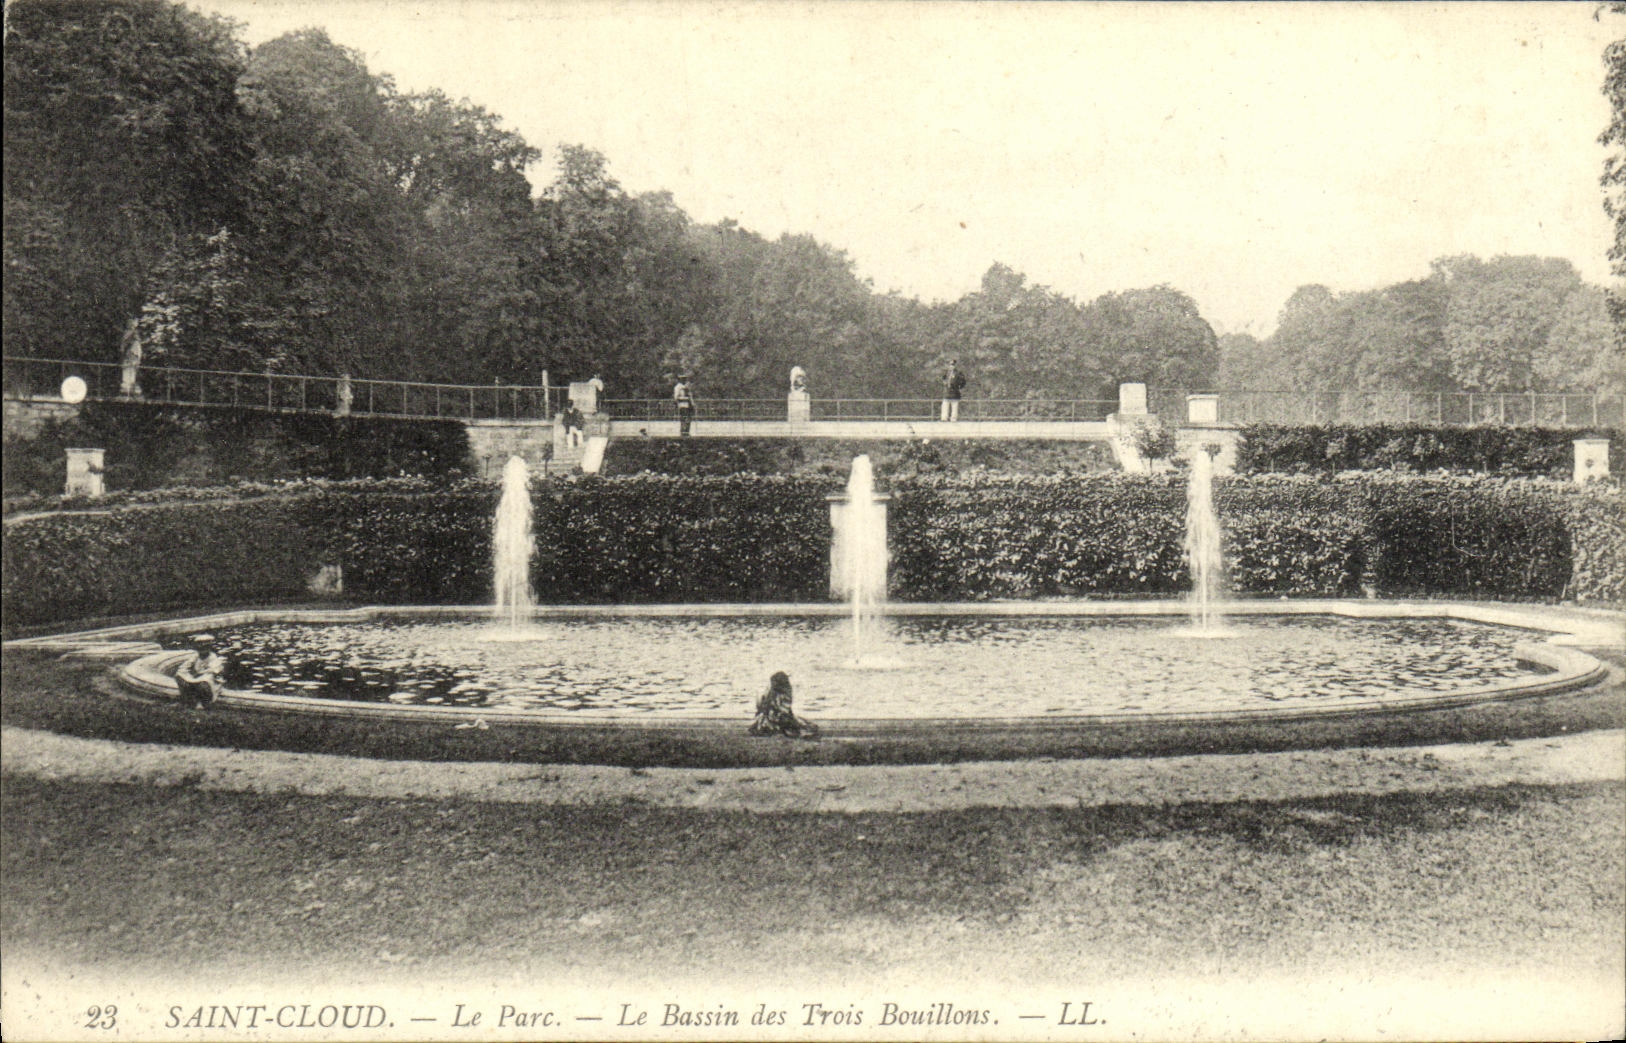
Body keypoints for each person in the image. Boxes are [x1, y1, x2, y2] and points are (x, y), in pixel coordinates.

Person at [748, 671, 819, 739]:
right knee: (799, 726)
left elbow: (769, 707)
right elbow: (784, 709)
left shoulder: (774, 693)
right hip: (775, 718)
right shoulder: (782, 693)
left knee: (798, 724)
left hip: (773, 717)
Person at [174, 634, 226, 708]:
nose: (202, 650)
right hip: (196, 677)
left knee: (204, 682)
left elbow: (213, 670)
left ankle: (203, 702)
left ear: (209, 648)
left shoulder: (213, 658)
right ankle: (188, 700)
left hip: (210, 680)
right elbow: (184, 666)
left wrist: (199, 674)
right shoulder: (196, 656)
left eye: (205, 648)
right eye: (200, 648)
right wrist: (186, 672)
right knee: (180, 675)